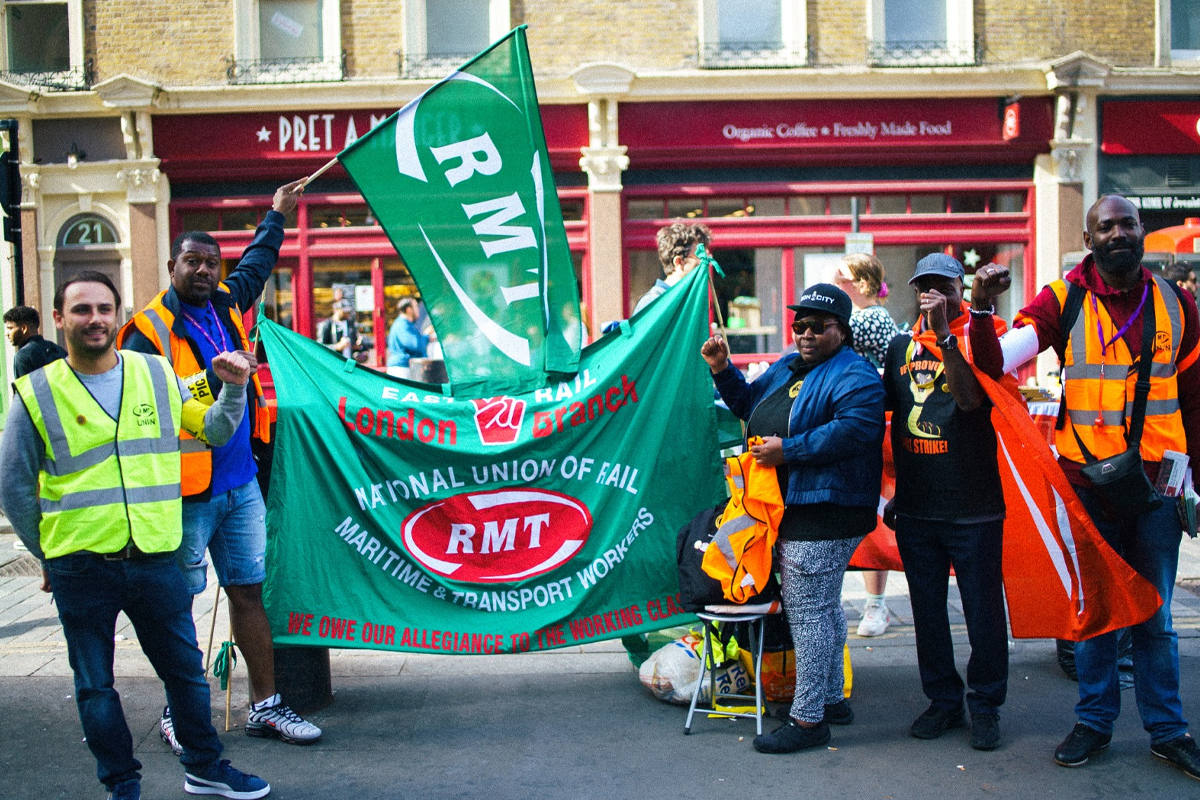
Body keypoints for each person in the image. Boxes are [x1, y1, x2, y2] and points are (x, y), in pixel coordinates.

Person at [0, 272, 270, 800]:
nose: (94, 319)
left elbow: (212, 429)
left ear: (117, 315)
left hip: (155, 556)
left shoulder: (155, 371)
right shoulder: (35, 393)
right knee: (96, 686)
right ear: (59, 319)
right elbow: (13, 487)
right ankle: (121, 783)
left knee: (187, 677)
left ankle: (207, 767)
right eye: (81, 310)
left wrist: (235, 387)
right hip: (81, 564)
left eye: (104, 308)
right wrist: (48, 555)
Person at [970, 195, 1200, 778]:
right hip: (1087, 488)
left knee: (1156, 616)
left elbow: (1195, 400)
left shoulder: (1179, 303)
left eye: (1127, 223)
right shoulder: (1061, 299)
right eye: (1107, 226)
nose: (1119, 233)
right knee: (1096, 610)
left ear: (1141, 231)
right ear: (1088, 237)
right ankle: (1094, 722)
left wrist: (1197, 482)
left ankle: (1168, 730)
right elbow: (994, 361)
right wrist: (978, 307)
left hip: (1157, 488)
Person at [119, 179, 322, 753]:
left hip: (239, 486)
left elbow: (258, 263)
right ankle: (178, 712)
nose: (204, 270)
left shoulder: (228, 303)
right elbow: (148, 408)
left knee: (248, 592)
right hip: (184, 495)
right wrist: (218, 378)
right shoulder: (146, 332)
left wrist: (277, 213)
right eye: (193, 261)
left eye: (212, 262)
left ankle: (265, 705)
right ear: (171, 265)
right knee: (176, 603)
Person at [701, 283, 885, 754]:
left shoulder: (857, 375)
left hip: (825, 508)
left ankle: (808, 721)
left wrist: (790, 452)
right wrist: (723, 370)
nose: (804, 333)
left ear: (840, 330)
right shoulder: (787, 364)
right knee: (823, 607)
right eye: (798, 324)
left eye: (816, 326)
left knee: (808, 613)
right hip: (786, 504)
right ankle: (830, 700)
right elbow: (747, 405)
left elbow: (856, 430)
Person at [883, 253, 1008, 751]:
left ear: (961, 289)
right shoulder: (899, 347)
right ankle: (943, 700)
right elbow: (885, 415)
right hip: (918, 507)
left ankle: (985, 704)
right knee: (928, 613)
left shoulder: (984, 333)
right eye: (924, 287)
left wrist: (946, 337)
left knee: (981, 613)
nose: (932, 295)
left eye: (943, 287)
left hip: (973, 505)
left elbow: (970, 400)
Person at [833, 252, 901, 637]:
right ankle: (872, 604)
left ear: (859, 283)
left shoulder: (867, 319)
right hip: (868, 426)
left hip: (869, 428)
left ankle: (874, 605)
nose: (836, 284)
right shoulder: (870, 318)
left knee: (869, 518)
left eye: (841, 279)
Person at [633, 221, 712, 314]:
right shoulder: (652, 302)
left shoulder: (690, 301)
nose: (705, 265)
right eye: (700, 258)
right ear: (679, 262)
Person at [4, 304, 68, 379]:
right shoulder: (57, 349)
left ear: (24, 328)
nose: (6, 334)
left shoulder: (22, 356)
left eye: (10, 328)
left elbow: (25, 390)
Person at [385, 297, 430, 377]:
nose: (418, 310)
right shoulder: (403, 325)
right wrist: (426, 336)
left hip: (406, 367)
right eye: (416, 307)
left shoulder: (408, 324)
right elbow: (415, 345)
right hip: (401, 368)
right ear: (409, 310)